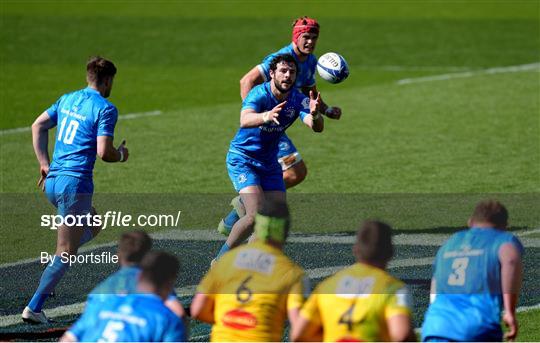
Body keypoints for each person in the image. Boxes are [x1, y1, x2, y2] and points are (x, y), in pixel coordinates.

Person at [23, 56, 128, 324]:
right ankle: (34, 307)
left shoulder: (67, 98)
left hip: (53, 182)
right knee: (66, 252)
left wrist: (44, 163)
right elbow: (104, 152)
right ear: (107, 81)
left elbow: (38, 125)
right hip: (74, 186)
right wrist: (123, 155)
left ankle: (55, 267)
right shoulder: (105, 108)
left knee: (94, 222)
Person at [218, 16, 341, 236]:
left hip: (278, 123)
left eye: (314, 38)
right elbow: (246, 81)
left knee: (297, 173)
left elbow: (308, 96)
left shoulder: (311, 61)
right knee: (294, 172)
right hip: (267, 124)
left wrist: (327, 110)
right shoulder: (281, 60)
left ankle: (246, 204)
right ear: (296, 37)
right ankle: (244, 209)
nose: (311, 42)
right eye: (306, 37)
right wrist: (258, 114)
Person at [213, 53, 323, 260]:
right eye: (283, 71)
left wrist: (316, 114)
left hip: (270, 164)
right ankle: (219, 263)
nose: (287, 76)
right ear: (272, 73)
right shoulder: (259, 94)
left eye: (291, 72)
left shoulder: (298, 99)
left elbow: (316, 126)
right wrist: (267, 115)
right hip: (243, 158)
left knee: (272, 221)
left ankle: (246, 264)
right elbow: (245, 119)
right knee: (255, 216)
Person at [191, 199, 308, 342]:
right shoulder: (293, 274)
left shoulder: (226, 261)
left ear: (256, 227)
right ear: (285, 232)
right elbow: (300, 330)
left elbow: (197, 310)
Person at [291, 220, 414, 342]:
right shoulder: (394, 289)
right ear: (390, 252)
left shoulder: (325, 287)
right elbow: (401, 335)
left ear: (355, 250)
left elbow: (298, 334)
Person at [421, 199, 524, 342]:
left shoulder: (450, 243)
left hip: (436, 326)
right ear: (504, 226)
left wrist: (434, 315)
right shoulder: (503, 240)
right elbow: (511, 260)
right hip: (476, 325)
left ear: (470, 222)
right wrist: (509, 311)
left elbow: (436, 282)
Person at [60, 251, 186, 342]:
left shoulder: (103, 303)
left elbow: (68, 339)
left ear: (138, 277)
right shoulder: (168, 319)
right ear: (170, 283)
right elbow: (180, 314)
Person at [88, 231, 185, 318]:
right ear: (148, 255)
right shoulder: (156, 283)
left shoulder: (101, 289)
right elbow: (178, 313)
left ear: (118, 256)